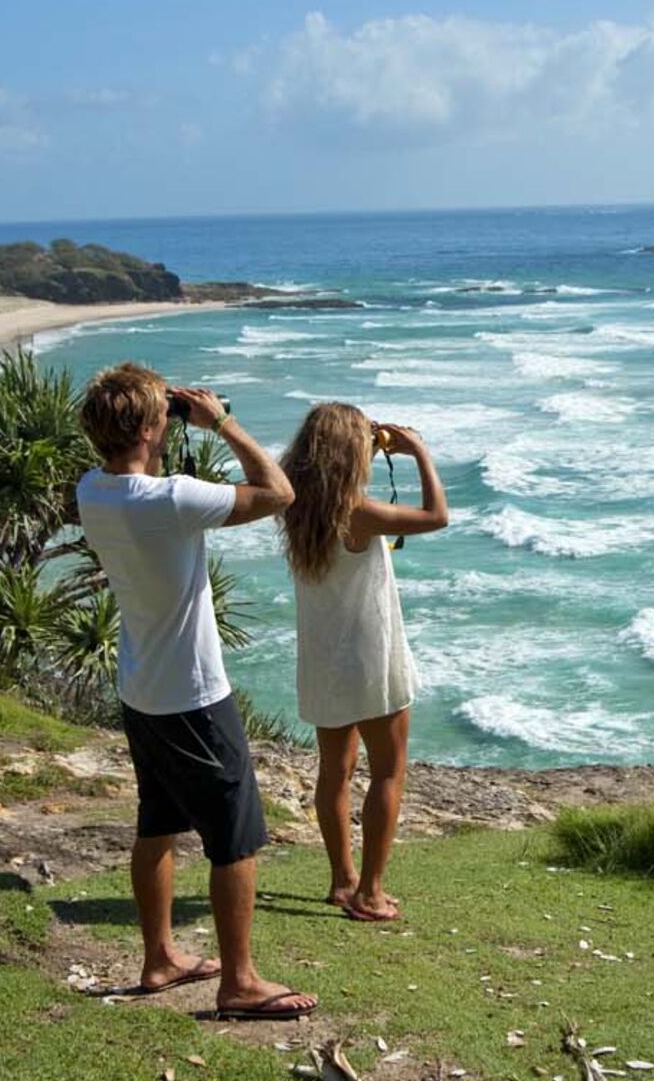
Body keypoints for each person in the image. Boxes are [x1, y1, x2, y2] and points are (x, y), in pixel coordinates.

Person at [74, 362, 316, 1021]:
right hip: (192, 693)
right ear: (153, 428)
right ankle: (238, 980)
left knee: (157, 820)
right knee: (235, 835)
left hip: (142, 685)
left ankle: (159, 957)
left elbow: (144, 473)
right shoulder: (169, 500)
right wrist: (222, 422)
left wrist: (162, 422)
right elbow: (278, 492)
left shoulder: (91, 489)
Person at [277, 403, 449, 923]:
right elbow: (436, 516)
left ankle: (341, 879)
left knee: (335, 771)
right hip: (372, 657)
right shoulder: (359, 511)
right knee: (388, 771)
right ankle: (371, 893)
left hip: (323, 658)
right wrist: (417, 450)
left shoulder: (295, 507)